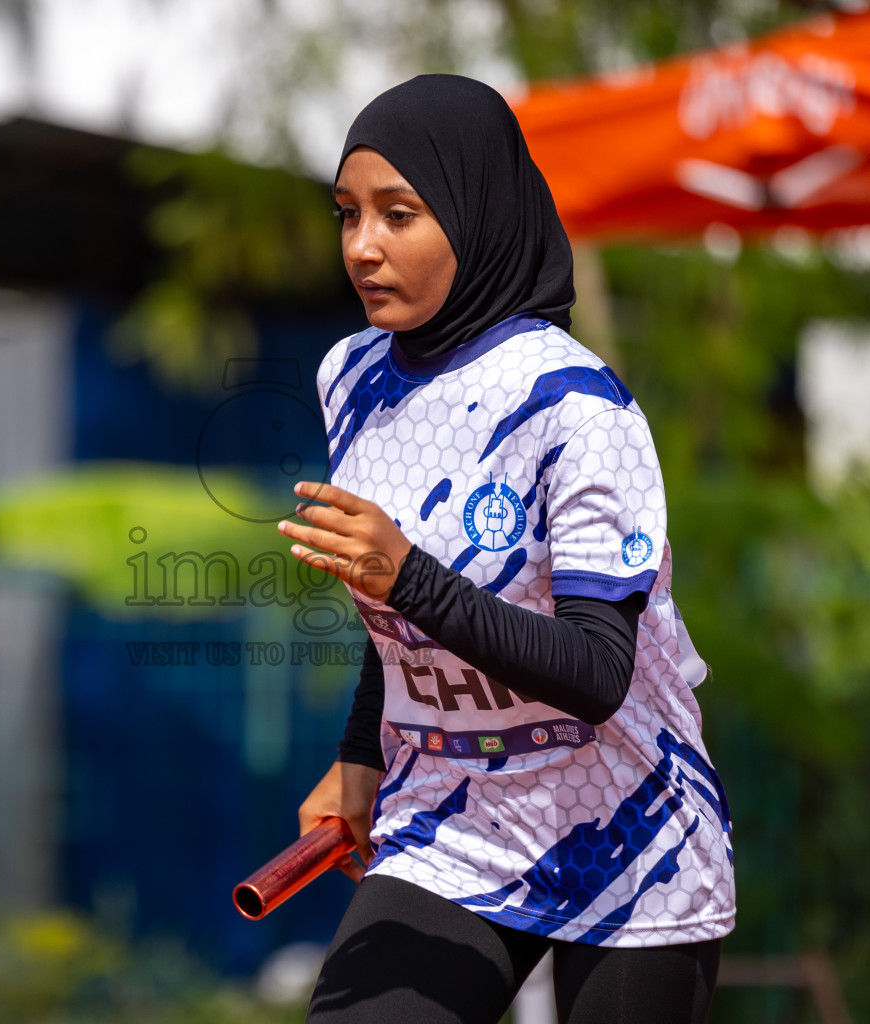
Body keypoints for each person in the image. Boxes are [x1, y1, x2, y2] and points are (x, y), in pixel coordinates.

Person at [276, 74, 735, 1024]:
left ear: (475, 214)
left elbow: (599, 672)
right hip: (454, 820)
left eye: (399, 215)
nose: (363, 246)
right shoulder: (351, 377)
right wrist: (361, 751)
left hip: (629, 829)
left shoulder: (575, 404)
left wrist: (408, 573)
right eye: (348, 214)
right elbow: (393, 606)